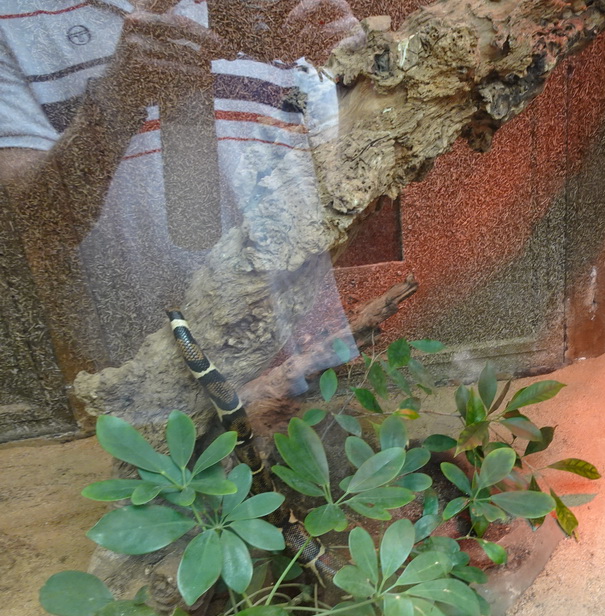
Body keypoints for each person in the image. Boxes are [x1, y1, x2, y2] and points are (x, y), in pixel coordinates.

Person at [0, 0, 366, 365]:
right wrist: (114, 101)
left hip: (304, 363)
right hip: (134, 382)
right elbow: (32, 227)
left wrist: (359, 74)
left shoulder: (281, 6)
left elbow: (354, 173)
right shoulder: (15, 19)